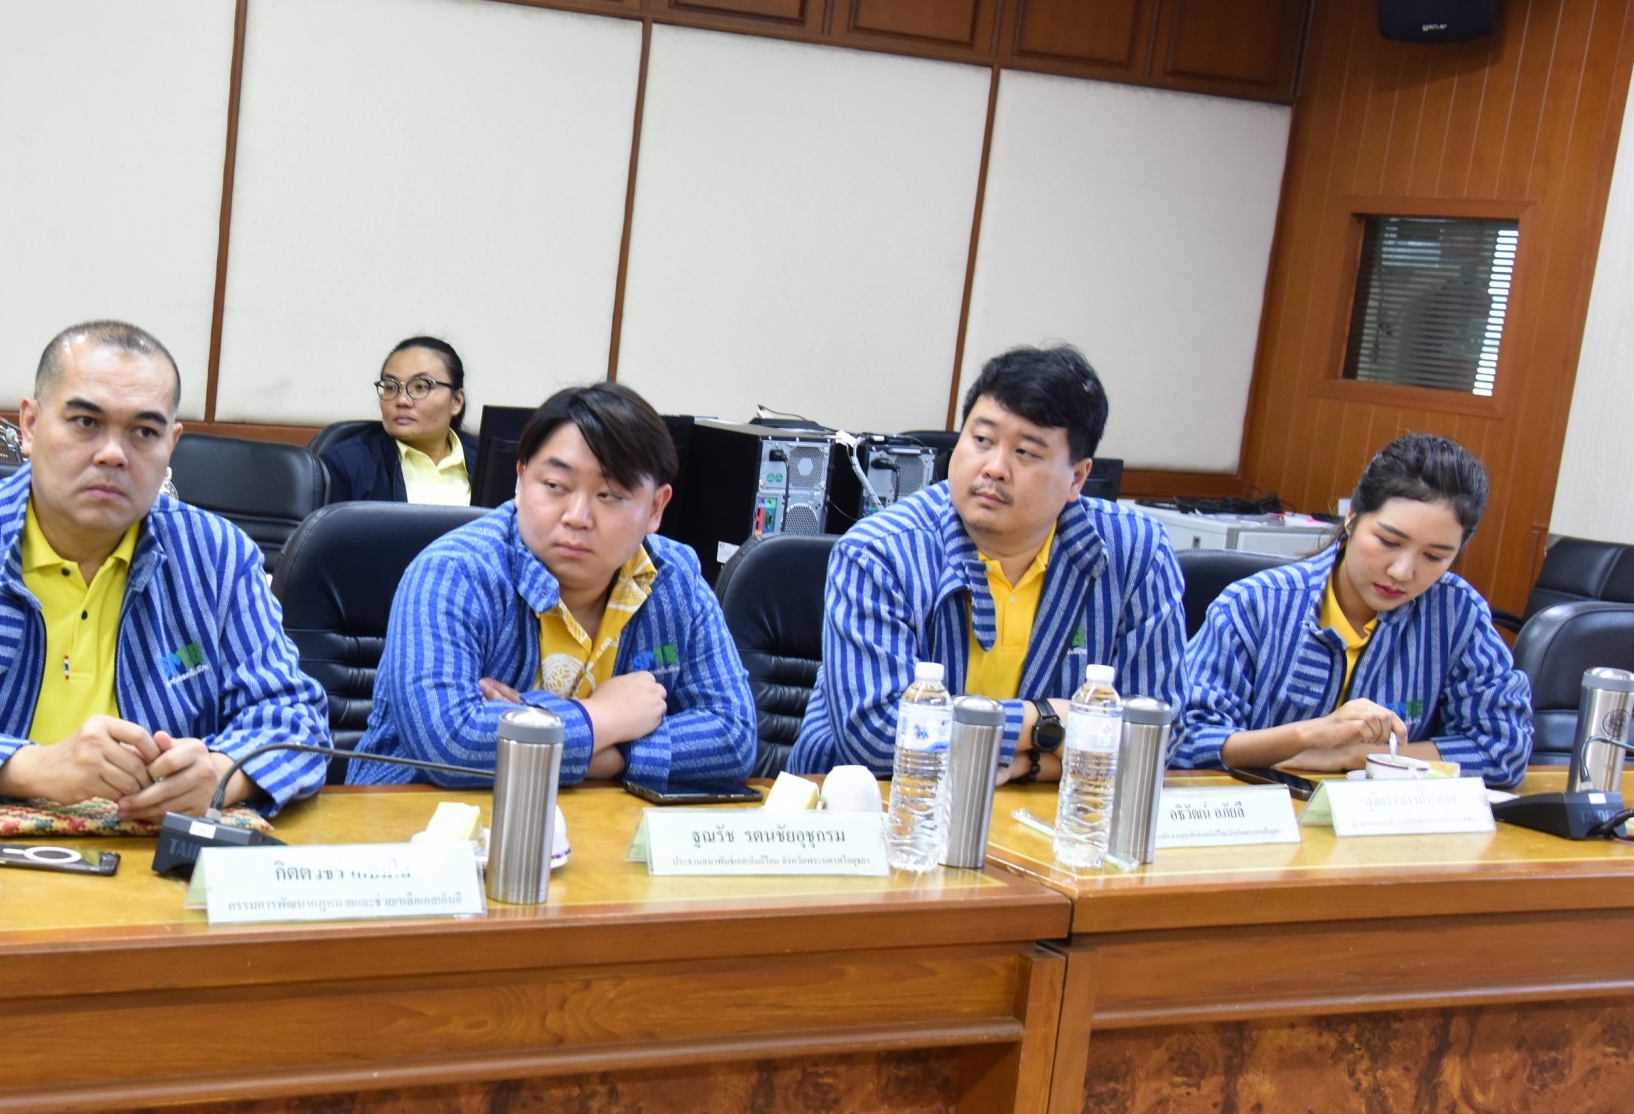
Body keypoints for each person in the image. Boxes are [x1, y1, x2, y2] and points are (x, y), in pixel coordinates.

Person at [0, 321, 331, 814]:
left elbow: (296, 721)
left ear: (171, 445)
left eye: (144, 432)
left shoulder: (218, 557)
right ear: (30, 425)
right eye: (86, 422)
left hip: (155, 853)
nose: (113, 454)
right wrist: (29, 768)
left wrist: (223, 774)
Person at [794, 345, 1184, 781]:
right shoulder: (880, 553)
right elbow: (879, 739)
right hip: (877, 806)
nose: (995, 468)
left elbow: (1156, 738)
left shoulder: (1135, 555)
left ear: (1076, 477)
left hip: (1050, 812)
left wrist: (1025, 765)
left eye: (1026, 452)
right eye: (982, 440)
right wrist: (1046, 721)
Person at [353, 382, 756, 788]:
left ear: (655, 507)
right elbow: (451, 742)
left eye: (609, 494)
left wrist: (599, 753)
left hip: (604, 820)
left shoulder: (674, 577)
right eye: (555, 486)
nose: (577, 516)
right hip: (421, 817)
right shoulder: (454, 572)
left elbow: (733, 737)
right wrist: (603, 717)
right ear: (521, 480)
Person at [1173, 434, 1531, 784]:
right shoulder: (1256, 604)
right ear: (1352, 517)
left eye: (1435, 556)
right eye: (1388, 541)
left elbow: (1504, 747)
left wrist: (1358, 756)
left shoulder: (1456, 614)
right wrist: (1306, 736)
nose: (1402, 572)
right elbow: (1185, 736)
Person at [318, 336, 478, 505]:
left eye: (420, 386)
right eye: (391, 387)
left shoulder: (489, 463)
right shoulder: (346, 465)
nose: (402, 400)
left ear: (456, 401)